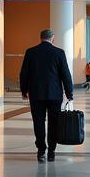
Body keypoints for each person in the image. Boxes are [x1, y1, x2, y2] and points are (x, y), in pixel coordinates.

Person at [19, 28, 74, 163]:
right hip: (55, 94)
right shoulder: (59, 53)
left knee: (38, 122)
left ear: (40, 37)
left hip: (36, 94)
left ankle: (41, 151)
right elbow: (65, 74)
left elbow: (24, 73)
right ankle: (51, 152)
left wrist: (24, 90)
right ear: (52, 38)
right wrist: (69, 92)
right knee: (54, 122)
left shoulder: (31, 52)